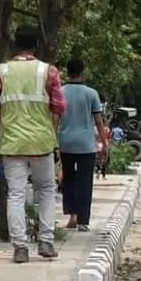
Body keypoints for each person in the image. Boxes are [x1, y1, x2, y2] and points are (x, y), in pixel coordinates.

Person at [0, 25, 68, 263]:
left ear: (14, 44)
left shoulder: (0, 72)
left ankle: (20, 248)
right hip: (42, 141)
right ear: (36, 45)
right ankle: (46, 241)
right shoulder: (48, 72)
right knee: (46, 190)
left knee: (16, 194)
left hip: (12, 143)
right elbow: (60, 106)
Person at [57, 58, 106, 231]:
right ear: (82, 72)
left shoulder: (60, 92)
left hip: (65, 142)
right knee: (85, 181)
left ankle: (72, 216)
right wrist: (104, 144)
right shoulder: (91, 94)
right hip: (86, 145)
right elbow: (99, 122)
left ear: (67, 71)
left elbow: (55, 119)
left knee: (69, 180)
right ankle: (83, 221)